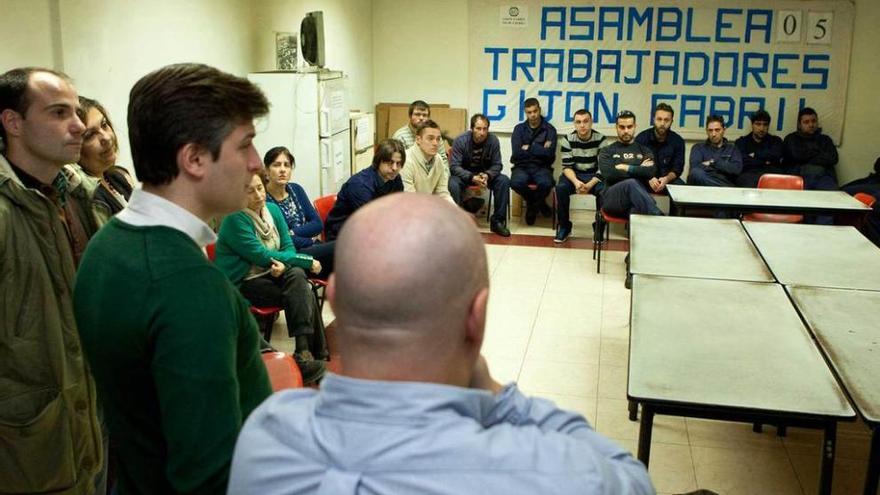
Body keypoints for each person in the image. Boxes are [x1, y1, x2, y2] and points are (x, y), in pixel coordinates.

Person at [227, 193, 655, 494]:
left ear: (334, 297)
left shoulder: (267, 437)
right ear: (478, 318)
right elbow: (633, 480)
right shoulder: (555, 473)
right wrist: (496, 394)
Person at [73, 63, 273, 494]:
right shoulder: (187, 285)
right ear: (195, 159)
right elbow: (208, 475)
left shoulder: (107, 246)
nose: (257, 164)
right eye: (245, 146)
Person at [0, 67, 103, 494]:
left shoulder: (77, 196)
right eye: (60, 113)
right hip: (28, 449)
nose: (79, 125)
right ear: (13, 123)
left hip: (89, 426)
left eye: (77, 112)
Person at [215, 171, 328, 381]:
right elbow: (261, 255)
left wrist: (286, 265)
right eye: (250, 191)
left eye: (260, 188)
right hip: (244, 283)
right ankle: (314, 356)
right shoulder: (234, 219)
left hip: (273, 274)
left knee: (298, 279)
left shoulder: (273, 210)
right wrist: (306, 261)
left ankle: (305, 356)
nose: (258, 195)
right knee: (305, 290)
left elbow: (288, 246)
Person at [263, 146, 334, 278]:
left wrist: (293, 233)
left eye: (287, 165)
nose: (282, 170)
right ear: (267, 171)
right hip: (290, 256)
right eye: (276, 165)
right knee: (342, 248)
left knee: (344, 266)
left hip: (312, 248)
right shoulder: (264, 200)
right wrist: (307, 239)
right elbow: (281, 239)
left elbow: (317, 224)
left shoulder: (296, 189)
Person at [68, 96, 135, 226]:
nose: (106, 137)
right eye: (90, 135)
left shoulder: (118, 176)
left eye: (104, 125)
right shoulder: (87, 198)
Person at [324, 138, 405, 240]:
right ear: (379, 161)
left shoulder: (395, 179)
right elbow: (370, 224)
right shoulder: (360, 185)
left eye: (398, 163)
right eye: (390, 162)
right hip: (342, 236)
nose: (394, 168)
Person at [448, 113, 511, 237]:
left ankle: (497, 221)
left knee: (503, 180)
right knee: (452, 183)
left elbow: (497, 165)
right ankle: (459, 222)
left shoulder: (493, 140)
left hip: (484, 175)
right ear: (471, 129)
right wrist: (472, 177)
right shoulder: (460, 140)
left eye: (485, 129)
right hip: (465, 175)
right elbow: (454, 167)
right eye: (478, 129)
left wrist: (487, 175)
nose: (482, 133)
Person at [597, 110, 663, 217]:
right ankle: (659, 217)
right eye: (622, 127)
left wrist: (626, 167)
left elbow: (651, 171)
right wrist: (639, 169)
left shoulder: (644, 150)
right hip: (612, 199)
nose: (626, 131)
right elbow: (609, 174)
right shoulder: (606, 151)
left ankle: (654, 220)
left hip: (636, 199)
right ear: (616, 127)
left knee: (636, 212)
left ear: (635, 126)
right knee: (631, 183)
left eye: (629, 126)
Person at [554, 109, 606, 243]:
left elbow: (603, 168)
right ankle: (565, 227)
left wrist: (589, 184)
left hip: (594, 175)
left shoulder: (601, 139)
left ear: (591, 122)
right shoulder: (567, 139)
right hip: (574, 174)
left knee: (604, 191)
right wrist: (577, 182)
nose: (582, 125)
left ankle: (599, 227)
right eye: (578, 122)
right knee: (561, 188)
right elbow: (567, 167)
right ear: (574, 124)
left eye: (585, 121)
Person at [510, 97, 557, 225]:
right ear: (525, 113)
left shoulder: (550, 130)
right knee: (515, 182)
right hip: (522, 166)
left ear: (539, 110)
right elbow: (517, 153)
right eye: (529, 112)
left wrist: (530, 147)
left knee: (547, 183)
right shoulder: (519, 129)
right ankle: (538, 203)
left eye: (535, 111)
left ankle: (531, 207)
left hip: (542, 167)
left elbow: (550, 155)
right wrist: (541, 149)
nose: (533, 115)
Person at [634, 102, 685, 194]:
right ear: (653, 119)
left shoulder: (678, 141)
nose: (662, 123)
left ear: (672, 121)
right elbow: (635, 165)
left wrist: (667, 179)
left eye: (666, 120)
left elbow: (677, 169)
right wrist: (648, 177)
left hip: (667, 180)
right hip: (645, 179)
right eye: (659, 119)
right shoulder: (641, 139)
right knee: (631, 184)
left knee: (682, 188)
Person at [400, 119, 454, 202]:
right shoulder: (406, 160)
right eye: (430, 138)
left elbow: (443, 193)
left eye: (438, 139)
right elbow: (410, 199)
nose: (435, 143)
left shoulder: (438, 159)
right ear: (418, 140)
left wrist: (456, 211)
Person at [687, 115, 743, 187]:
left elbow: (736, 170)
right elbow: (695, 168)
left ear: (724, 130)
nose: (713, 134)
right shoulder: (698, 148)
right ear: (706, 131)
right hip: (705, 185)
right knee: (696, 173)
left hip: (725, 184)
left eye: (717, 130)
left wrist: (712, 163)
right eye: (710, 130)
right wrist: (723, 168)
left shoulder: (733, 149)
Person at [734, 110, 784, 188]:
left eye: (765, 125)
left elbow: (776, 157)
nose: (761, 128)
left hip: (772, 177)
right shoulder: (741, 142)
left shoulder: (776, 141)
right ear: (752, 125)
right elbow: (742, 162)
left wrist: (755, 155)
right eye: (758, 124)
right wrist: (766, 161)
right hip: (748, 178)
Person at [392, 99, 448, 166]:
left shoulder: (435, 135)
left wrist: (444, 176)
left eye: (424, 115)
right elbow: (398, 163)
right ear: (410, 116)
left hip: (433, 172)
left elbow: (443, 160)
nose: (421, 118)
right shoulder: (400, 136)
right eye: (417, 114)